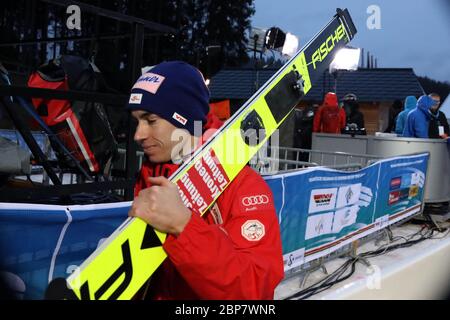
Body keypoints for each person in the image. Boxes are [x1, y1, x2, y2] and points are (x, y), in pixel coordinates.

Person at [126, 61, 284, 300]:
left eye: (151, 120)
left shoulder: (244, 186)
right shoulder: (151, 174)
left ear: (183, 119)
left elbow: (255, 290)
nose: (138, 134)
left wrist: (184, 227)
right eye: (137, 121)